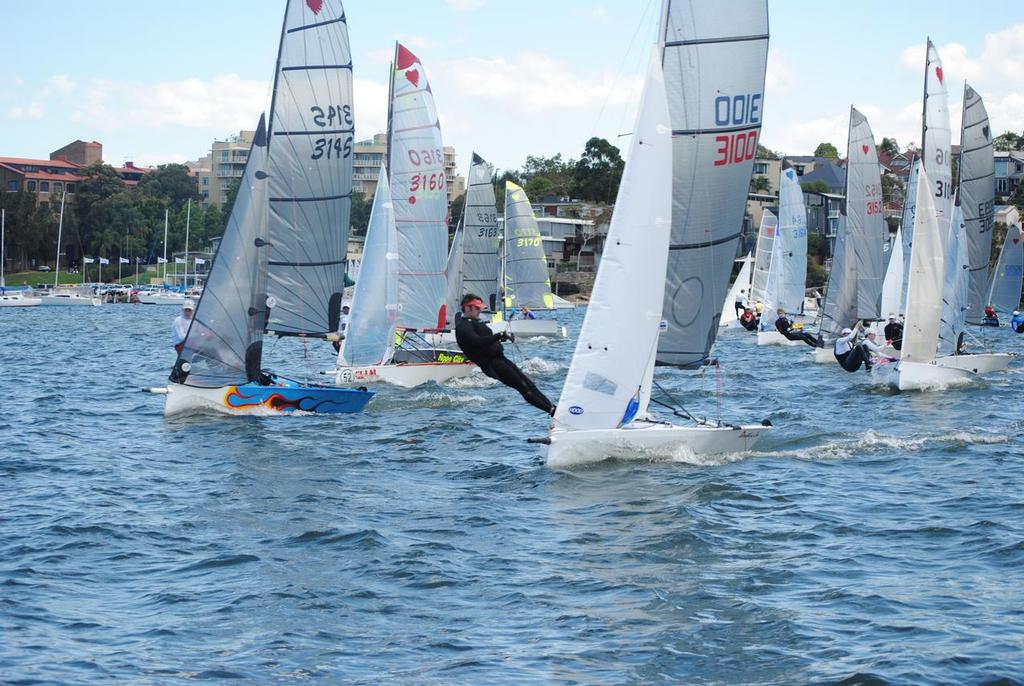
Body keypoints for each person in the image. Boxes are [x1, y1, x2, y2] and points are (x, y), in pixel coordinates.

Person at [455, 293, 555, 415]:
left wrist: (502, 338)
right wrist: (499, 335)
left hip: (500, 359)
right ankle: (551, 411)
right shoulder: (463, 327)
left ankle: (553, 408)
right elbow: (476, 342)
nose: (479, 310)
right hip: (492, 365)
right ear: (467, 308)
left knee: (530, 384)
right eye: (476, 308)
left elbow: (486, 339)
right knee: (523, 387)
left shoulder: (475, 322)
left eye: (480, 308)